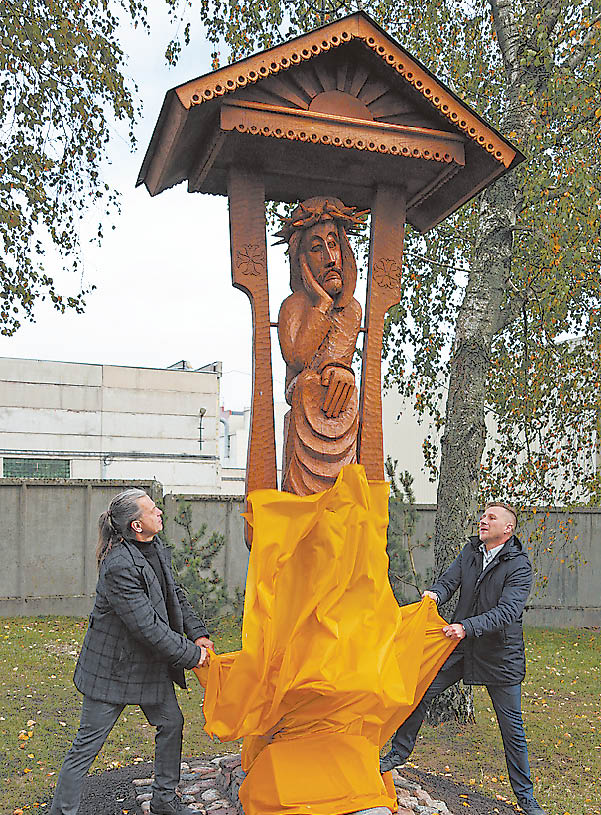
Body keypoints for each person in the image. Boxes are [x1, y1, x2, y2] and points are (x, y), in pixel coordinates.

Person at [49, 488, 213, 815]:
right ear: (136, 526)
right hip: (112, 670)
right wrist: (192, 656)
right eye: (152, 510)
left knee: (171, 723)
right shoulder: (119, 565)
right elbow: (147, 627)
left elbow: (174, 595)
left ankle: (164, 801)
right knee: (86, 747)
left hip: (148, 666)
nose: (159, 512)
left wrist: (197, 634)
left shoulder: (155, 547)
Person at [380, 502, 547, 815]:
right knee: (420, 690)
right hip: (462, 647)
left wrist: (466, 627)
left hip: (500, 655)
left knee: (512, 730)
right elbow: (449, 581)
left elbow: (507, 612)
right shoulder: (471, 551)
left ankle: (526, 799)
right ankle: (397, 754)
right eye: (483, 516)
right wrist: (435, 594)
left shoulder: (519, 566)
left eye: (491, 517)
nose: (483, 520)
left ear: (508, 529)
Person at [276, 196, 365, 496]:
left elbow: (337, 362)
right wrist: (322, 304)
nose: (330, 258)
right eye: (316, 249)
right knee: (308, 384)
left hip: (336, 414)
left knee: (345, 392)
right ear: (301, 261)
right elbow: (299, 359)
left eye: (333, 244)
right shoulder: (293, 307)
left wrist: (342, 372)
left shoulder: (351, 310)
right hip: (304, 407)